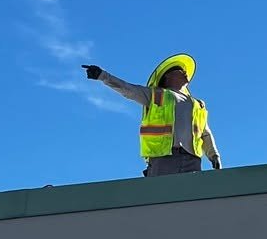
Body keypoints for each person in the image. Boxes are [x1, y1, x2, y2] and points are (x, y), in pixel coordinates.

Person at [82, 54, 222, 177]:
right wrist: (103, 76)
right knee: (161, 198)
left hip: (192, 160)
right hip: (164, 158)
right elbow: (128, 89)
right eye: (180, 71)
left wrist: (213, 155)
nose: (185, 73)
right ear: (168, 76)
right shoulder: (156, 94)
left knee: (190, 200)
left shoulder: (197, 104)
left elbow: (205, 133)